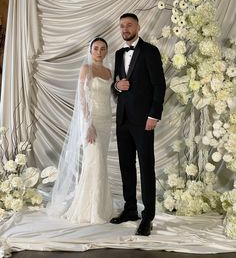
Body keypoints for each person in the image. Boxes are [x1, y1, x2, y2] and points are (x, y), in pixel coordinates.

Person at [110, 13, 166, 236]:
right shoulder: (117, 54)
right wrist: (116, 86)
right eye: (122, 25)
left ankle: (148, 217)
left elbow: (159, 85)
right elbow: (117, 85)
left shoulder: (150, 51)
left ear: (138, 27)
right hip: (122, 119)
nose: (125, 28)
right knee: (126, 166)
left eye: (129, 25)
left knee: (146, 167)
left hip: (144, 121)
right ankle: (130, 209)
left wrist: (154, 115)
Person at [47, 37, 113, 225]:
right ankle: (88, 211)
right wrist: (89, 124)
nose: (99, 52)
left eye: (102, 49)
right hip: (91, 121)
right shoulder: (86, 69)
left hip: (106, 120)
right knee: (94, 162)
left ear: (106, 51)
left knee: (101, 163)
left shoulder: (109, 72)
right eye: (96, 48)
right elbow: (82, 98)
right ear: (90, 51)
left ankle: (101, 207)